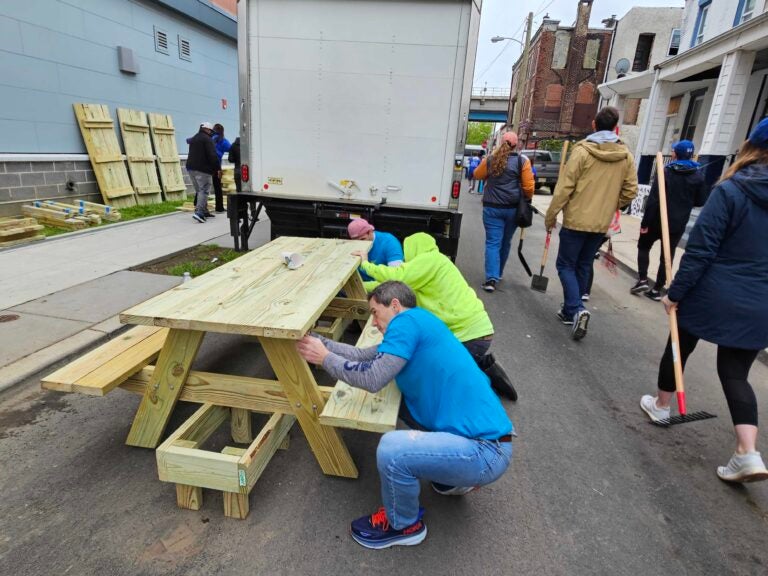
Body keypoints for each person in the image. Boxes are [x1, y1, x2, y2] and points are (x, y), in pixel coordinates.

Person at [296, 281, 514, 549]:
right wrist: (320, 343)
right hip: (485, 442)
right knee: (404, 405)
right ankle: (450, 481)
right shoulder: (418, 323)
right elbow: (364, 356)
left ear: (396, 305)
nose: (374, 322)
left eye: (375, 312)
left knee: (392, 449)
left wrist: (325, 359)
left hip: (484, 450)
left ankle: (404, 524)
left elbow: (374, 377)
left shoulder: (406, 322)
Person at [639, 117, 768, 483]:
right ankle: (748, 451)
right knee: (735, 373)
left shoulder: (731, 190)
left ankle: (662, 406)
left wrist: (674, 293)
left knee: (679, 343)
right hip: (760, 300)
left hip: (711, 292)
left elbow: (702, 248)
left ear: (750, 149)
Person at [355, 232, 517, 401]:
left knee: (438, 377)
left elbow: (398, 276)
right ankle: (483, 364)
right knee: (435, 361)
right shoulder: (425, 271)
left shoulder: (431, 260)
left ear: (413, 248)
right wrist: (357, 285)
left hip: (469, 335)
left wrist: (366, 265)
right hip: (473, 332)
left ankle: (483, 380)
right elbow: (390, 286)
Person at [544, 107, 637, 340]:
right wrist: (612, 205)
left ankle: (576, 309)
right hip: (600, 224)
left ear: (594, 124)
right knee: (584, 265)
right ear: (616, 127)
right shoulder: (625, 156)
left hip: (576, 219)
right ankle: (569, 310)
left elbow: (565, 187)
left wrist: (552, 214)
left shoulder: (581, 151)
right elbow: (630, 191)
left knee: (565, 265)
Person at [630, 140, 707, 301]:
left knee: (643, 246)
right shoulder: (698, 175)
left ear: (675, 154)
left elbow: (653, 199)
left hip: (657, 219)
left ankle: (643, 279)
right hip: (678, 223)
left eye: (672, 151)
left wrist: (645, 223)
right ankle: (657, 289)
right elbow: (700, 201)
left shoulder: (665, 172)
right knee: (667, 255)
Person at [472, 131, 535, 292]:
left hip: (492, 208)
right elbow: (529, 187)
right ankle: (498, 273)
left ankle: (491, 279)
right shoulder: (522, 162)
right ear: (516, 145)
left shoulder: (491, 159)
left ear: (501, 143)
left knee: (493, 242)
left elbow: (477, 174)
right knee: (505, 242)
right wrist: (524, 196)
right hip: (512, 210)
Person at [347, 218, 403, 288]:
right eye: (356, 241)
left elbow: (395, 279)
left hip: (383, 289)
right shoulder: (351, 245)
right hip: (359, 286)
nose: (360, 244)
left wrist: (363, 286)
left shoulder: (390, 242)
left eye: (363, 239)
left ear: (370, 232)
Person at [185, 122, 221, 224]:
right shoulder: (207, 139)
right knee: (204, 191)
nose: (211, 133)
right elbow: (212, 155)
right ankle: (199, 212)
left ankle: (204, 211)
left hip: (191, 168)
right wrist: (217, 169)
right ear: (207, 130)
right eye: (210, 131)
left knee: (199, 191)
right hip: (203, 169)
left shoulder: (194, 138)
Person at [210, 123, 231, 213]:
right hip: (216, 165)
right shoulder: (222, 140)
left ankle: (197, 204)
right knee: (217, 186)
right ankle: (219, 207)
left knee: (203, 187)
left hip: (205, 164)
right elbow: (230, 148)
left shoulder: (209, 138)